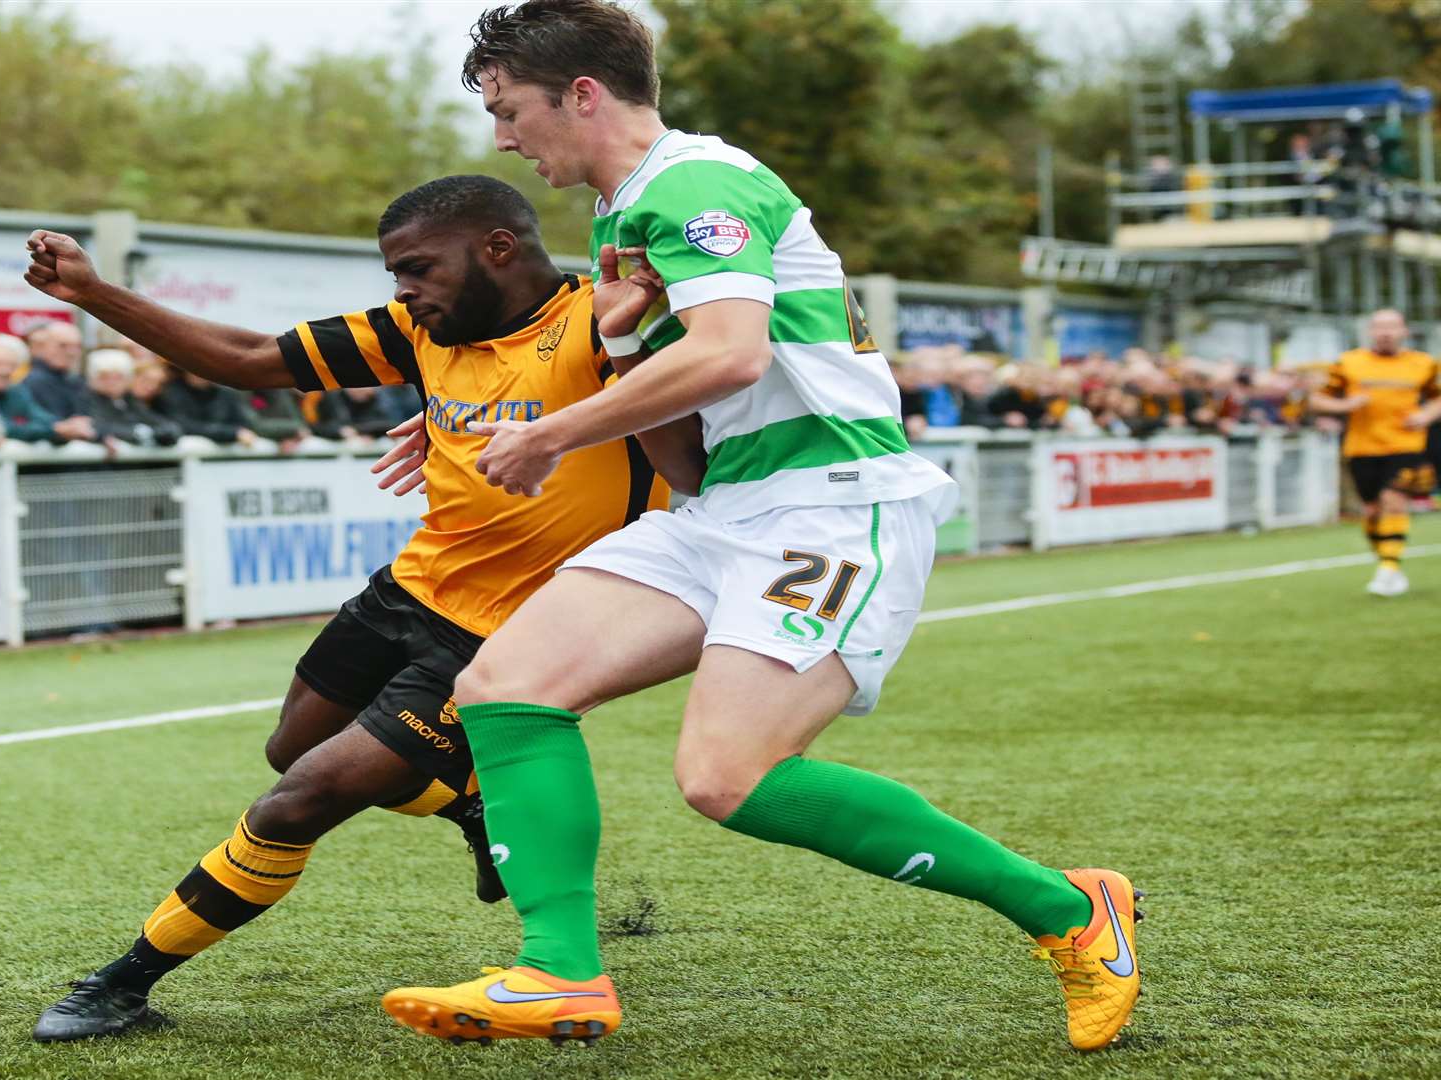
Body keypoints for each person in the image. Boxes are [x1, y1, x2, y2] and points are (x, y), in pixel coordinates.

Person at [380, 1, 1141, 1054]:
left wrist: (553, 430)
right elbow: (684, 446)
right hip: (722, 508)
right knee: (505, 687)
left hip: (834, 504)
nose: (505, 140)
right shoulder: (619, 221)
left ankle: (1068, 908)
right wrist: (622, 352)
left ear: (584, 94)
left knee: (724, 777)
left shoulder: (699, 182)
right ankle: (559, 974)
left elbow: (734, 353)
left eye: (512, 111)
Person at [18, 174, 687, 1042]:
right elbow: (252, 360)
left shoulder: (604, 324)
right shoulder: (415, 331)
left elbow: (710, 403)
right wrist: (95, 293)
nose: (402, 290)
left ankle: (120, 984)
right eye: (394, 274)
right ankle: (473, 802)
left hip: (517, 628)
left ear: (498, 248)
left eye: (416, 269)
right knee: (290, 746)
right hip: (412, 585)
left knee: (298, 800)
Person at [1311, 308, 1441, 597]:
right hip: (1362, 446)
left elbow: (1437, 398)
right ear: (1370, 331)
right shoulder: (1349, 363)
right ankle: (1388, 562)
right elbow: (1318, 399)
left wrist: (1426, 415)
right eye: (1379, 327)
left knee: (1393, 500)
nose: (1385, 332)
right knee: (1371, 510)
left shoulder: (1423, 364)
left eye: (1392, 327)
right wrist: (1345, 406)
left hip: (1406, 444)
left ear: (1405, 331)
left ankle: (1388, 570)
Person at [0, 333, 94, 444]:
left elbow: (40, 416)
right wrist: (55, 430)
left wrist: (65, 426)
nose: (5, 371)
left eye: (11, 365)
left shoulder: (16, 392)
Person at [79, 348, 181, 450]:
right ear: (93, 378)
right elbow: (97, 426)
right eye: (104, 376)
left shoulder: (129, 401)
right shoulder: (86, 399)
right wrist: (138, 433)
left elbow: (166, 426)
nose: (112, 382)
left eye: (118, 376)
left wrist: (152, 433)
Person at [21, 320, 90, 421]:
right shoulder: (35, 381)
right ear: (41, 347)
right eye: (62, 345)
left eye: (77, 346)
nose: (72, 352)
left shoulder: (75, 380)